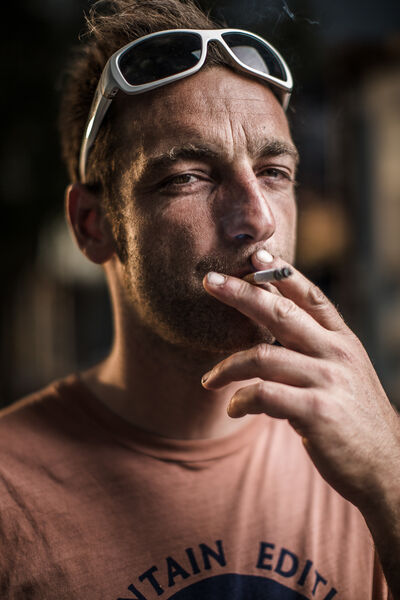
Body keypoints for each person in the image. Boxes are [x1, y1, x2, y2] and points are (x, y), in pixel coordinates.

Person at [1, 0, 399, 598]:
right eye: (188, 176)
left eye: (274, 172)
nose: (258, 219)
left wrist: (391, 484)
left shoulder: (371, 451)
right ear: (93, 225)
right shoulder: (11, 491)